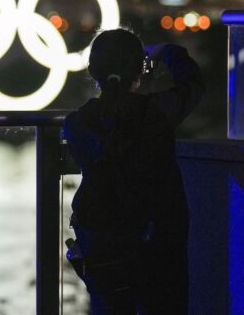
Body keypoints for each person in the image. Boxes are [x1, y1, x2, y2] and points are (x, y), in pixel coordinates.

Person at [63, 28, 203, 314]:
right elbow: (193, 83)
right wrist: (166, 52)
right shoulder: (158, 112)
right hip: (157, 240)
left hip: (102, 246)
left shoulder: (77, 124)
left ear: (92, 70)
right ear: (139, 70)